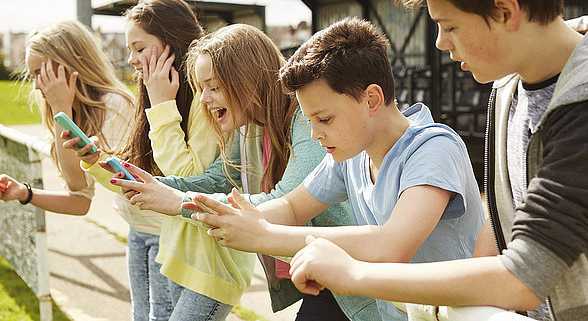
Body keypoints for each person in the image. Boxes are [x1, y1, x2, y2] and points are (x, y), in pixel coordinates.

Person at [288, 0, 588, 321]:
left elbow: (525, 277)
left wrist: (355, 274)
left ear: (506, 11)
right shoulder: (507, 89)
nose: (440, 42)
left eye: (449, 26)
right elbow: (503, 222)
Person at [180, 17, 486, 321]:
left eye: (324, 119)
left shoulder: (434, 148)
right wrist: (236, 218)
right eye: (309, 120)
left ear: (372, 100)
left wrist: (262, 235)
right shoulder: (352, 154)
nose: (314, 134)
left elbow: (390, 245)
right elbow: (292, 206)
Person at [105, 23, 382, 321]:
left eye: (214, 87)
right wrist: (157, 186)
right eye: (201, 89)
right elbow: (217, 180)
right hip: (325, 277)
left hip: (360, 279)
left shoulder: (306, 120)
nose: (203, 100)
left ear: (247, 79)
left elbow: (287, 200)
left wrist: (178, 202)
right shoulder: (249, 127)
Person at [64, 0, 220, 321]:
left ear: (172, 43)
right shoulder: (150, 90)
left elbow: (188, 179)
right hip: (148, 232)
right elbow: (143, 180)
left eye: (139, 48)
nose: (132, 59)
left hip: (188, 244)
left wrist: (162, 104)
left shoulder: (206, 99)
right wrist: (94, 159)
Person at [0, 20, 134, 215]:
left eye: (41, 73)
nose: (37, 85)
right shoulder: (74, 113)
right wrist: (23, 192)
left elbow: (76, 183)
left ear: (71, 66)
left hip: (160, 230)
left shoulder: (114, 105)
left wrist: (60, 107)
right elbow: (79, 200)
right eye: (33, 75)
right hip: (138, 231)